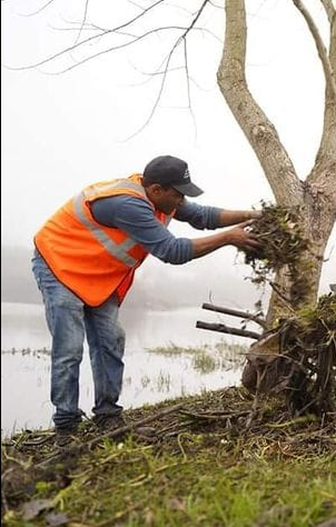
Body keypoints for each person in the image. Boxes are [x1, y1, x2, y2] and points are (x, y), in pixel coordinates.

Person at [32, 155, 263, 442]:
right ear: (156, 190)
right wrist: (230, 238)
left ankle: (108, 418)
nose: (181, 201)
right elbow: (172, 251)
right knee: (69, 348)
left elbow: (203, 217)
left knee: (110, 340)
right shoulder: (128, 204)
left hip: (97, 272)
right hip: (59, 264)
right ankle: (66, 428)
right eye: (178, 194)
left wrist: (253, 216)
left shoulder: (161, 197)